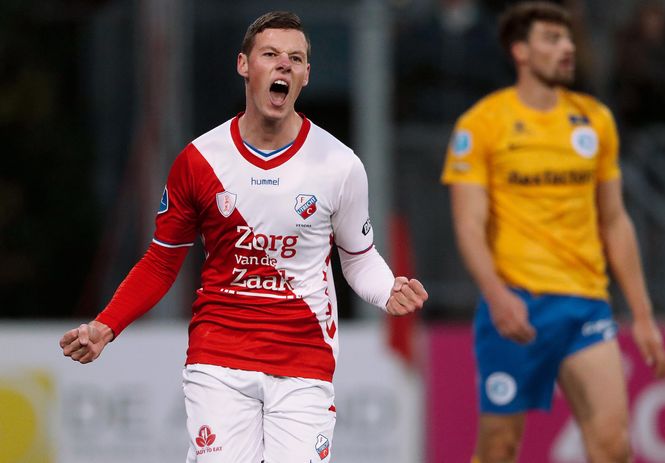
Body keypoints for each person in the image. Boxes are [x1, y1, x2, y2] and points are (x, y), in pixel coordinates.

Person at [60, 11, 427, 463]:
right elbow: (161, 261)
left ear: (306, 75)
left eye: (296, 58)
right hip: (219, 354)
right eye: (270, 54)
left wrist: (387, 289)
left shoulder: (340, 165)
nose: (284, 64)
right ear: (243, 65)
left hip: (304, 356)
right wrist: (106, 325)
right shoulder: (200, 160)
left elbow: (359, 257)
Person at [440, 2, 665, 462]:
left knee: (613, 446)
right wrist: (496, 294)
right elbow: (468, 224)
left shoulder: (594, 120)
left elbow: (614, 219)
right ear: (520, 51)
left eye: (567, 38)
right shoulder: (481, 124)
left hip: (585, 304)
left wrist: (642, 314)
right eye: (551, 38)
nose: (566, 48)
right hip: (516, 305)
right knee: (500, 447)